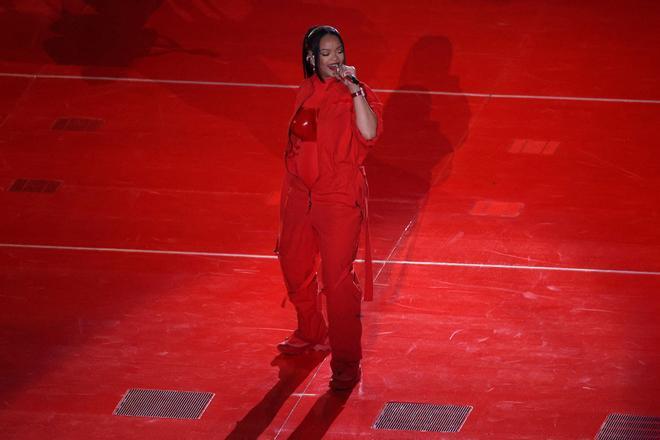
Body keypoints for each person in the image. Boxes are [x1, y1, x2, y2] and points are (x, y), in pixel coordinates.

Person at [275, 25, 383, 391]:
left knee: (337, 283)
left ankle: (346, 362)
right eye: (327, 53)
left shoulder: (358, 93)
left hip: (337, 196)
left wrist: (355, 91)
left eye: (339, 50)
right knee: (292, 263)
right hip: (299, 194)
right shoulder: (304, 91)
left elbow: (368, 134)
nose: (336, 58)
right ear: (311, 58)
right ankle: (311, 331)